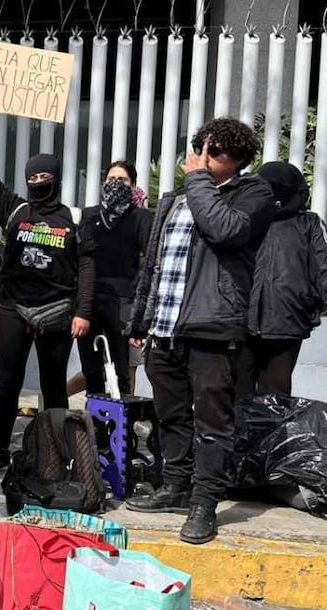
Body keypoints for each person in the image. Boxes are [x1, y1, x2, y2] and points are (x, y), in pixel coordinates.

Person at [125, 118, 275, 545]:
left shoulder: (253, 194)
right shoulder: (177, 198)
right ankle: (175, 486)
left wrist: (199, 182)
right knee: (171, 415)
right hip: (166, 327)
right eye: (204, 149)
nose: (207, 159)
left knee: (212, 422)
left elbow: (224, 230)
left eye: (219, 153)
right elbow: (154, 264)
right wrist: (140, 321)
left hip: (212, 327)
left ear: (239, 160)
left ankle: (205, 504)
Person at [0, 108, 96, 475]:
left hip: (57, 311)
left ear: (56, 179)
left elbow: (87, 266)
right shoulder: (14, 210)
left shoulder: (74, 219)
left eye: (45, 176)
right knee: (7, 381)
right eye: (33, 176)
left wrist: (83, 311)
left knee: (53, 385)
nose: (38, 181)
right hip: (13, 307)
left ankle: (58, 452)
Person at [240, 161, 327, 396]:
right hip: (241, 321)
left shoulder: (308, 222)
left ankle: (271, 434)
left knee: (275, 397)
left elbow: (323, 267)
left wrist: (310, 304)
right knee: (237, 396)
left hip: (287, 322)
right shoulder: (247, 219)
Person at [73, 161, 152, 396]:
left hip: (124, 303)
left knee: (123, 370)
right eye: (111, 179)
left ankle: (122, 426)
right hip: (91, 300)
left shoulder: (141, 217)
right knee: (92, 369)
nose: (116, 184)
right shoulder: (88, 215)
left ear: (133, 185)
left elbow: (149, 262)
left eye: (123, 180)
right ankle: (94, 422)